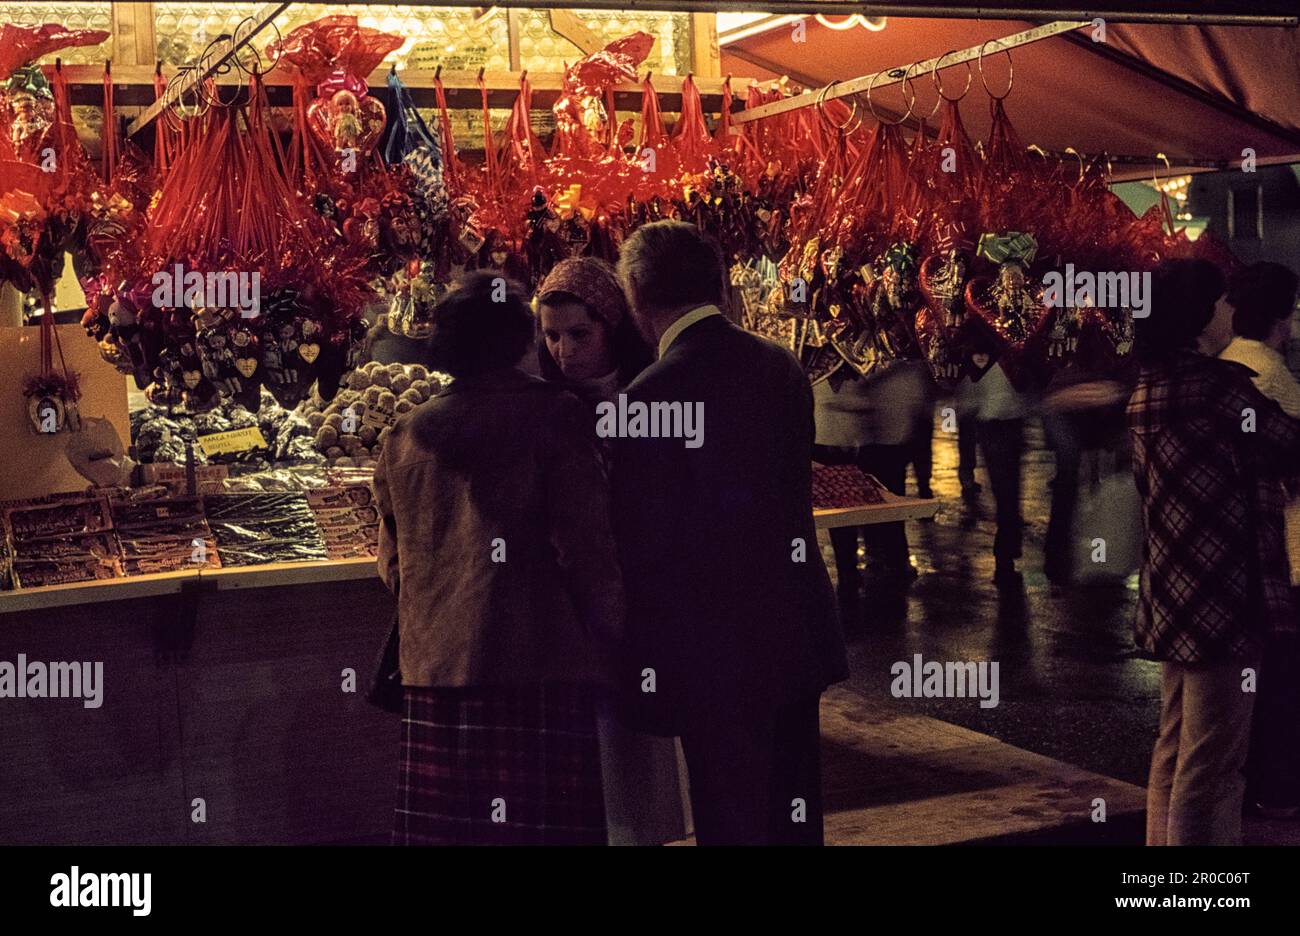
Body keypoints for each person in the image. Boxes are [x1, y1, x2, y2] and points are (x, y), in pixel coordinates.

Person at [611, 220, 848, 846]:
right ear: (718, 282)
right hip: (793, 625)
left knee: (730, 814)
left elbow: (644, 539)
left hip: (710, 643)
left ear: (635, 291)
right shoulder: (781, 366)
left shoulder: (649, 396)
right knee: (794, 809)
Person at [374, 271, 624, 845]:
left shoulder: (404, 435)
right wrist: (613, 635)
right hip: (537, 667)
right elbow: (586, 551)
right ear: (522, 340)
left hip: (434, 674)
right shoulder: (556, 416)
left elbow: (393, 569)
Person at [1130, 258, 1300, 846]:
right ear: (1201, 316)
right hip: (1225, 598)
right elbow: (1291, 442)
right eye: (1222, 301)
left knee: (1175, 749)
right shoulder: (1216, 390)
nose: (1231, 311)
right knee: (1214, 764)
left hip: (1174, 594)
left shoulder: (1152, 387)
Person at [534, 257, 691, 846]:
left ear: (612, 325)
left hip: (649, 592)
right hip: (572, 608)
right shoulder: (543, 406)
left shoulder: (652, 391)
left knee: (645, 750)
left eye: (579, 333)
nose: (564, 351)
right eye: (551, 336)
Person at [1217, 261, 1300, 818]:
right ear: (1282, 315)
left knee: (1259, 678)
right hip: (1287, 548)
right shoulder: (1268, 376)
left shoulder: (1227, 365)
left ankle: (1258, 784)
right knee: (1283, 678)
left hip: (1242, 548)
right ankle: (1278, 788)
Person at [812, 361, 929, 609]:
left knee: (846, 508)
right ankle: (868, 567)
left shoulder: (818, 357)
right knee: (854, 505)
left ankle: (853, 571)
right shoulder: (848, 357)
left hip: (843, 434)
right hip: (851, 436)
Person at [954, 341, 1032, 587]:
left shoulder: (1013, 347)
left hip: (1009, 421)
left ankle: (1008, 545)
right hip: (992, 423)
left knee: (1008, 487)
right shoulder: (986, 349)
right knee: (1005, 488)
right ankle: (1006, 548)